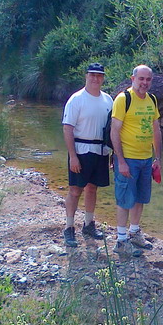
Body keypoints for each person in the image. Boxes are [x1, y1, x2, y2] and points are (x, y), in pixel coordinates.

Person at [110, 65, 162, 256]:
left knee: (140, 197)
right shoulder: (124, 99)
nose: (144, 83)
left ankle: (134, 232)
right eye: (141, 79)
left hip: (146, 159)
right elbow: (114, 131)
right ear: (133, 79)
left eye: (148, 79)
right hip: (128, 159)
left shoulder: (152, 100)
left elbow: (156, 129)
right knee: (125, 199)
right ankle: (121, 240)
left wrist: (158, 158)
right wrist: (120, 161)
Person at [61, 63, 113, 247]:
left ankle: (89, 224)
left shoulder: (108, 100)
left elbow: (112, 130)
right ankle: (68, 228)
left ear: (103, 78)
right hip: (81, 150)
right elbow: (68, 128)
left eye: (99, 76)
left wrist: (112, 154)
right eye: (92, 75)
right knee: (75, 190)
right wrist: (72, 156)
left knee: (92, 188)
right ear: (86, 76)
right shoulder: (76, 99)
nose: (95, 79)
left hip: (100, 151)